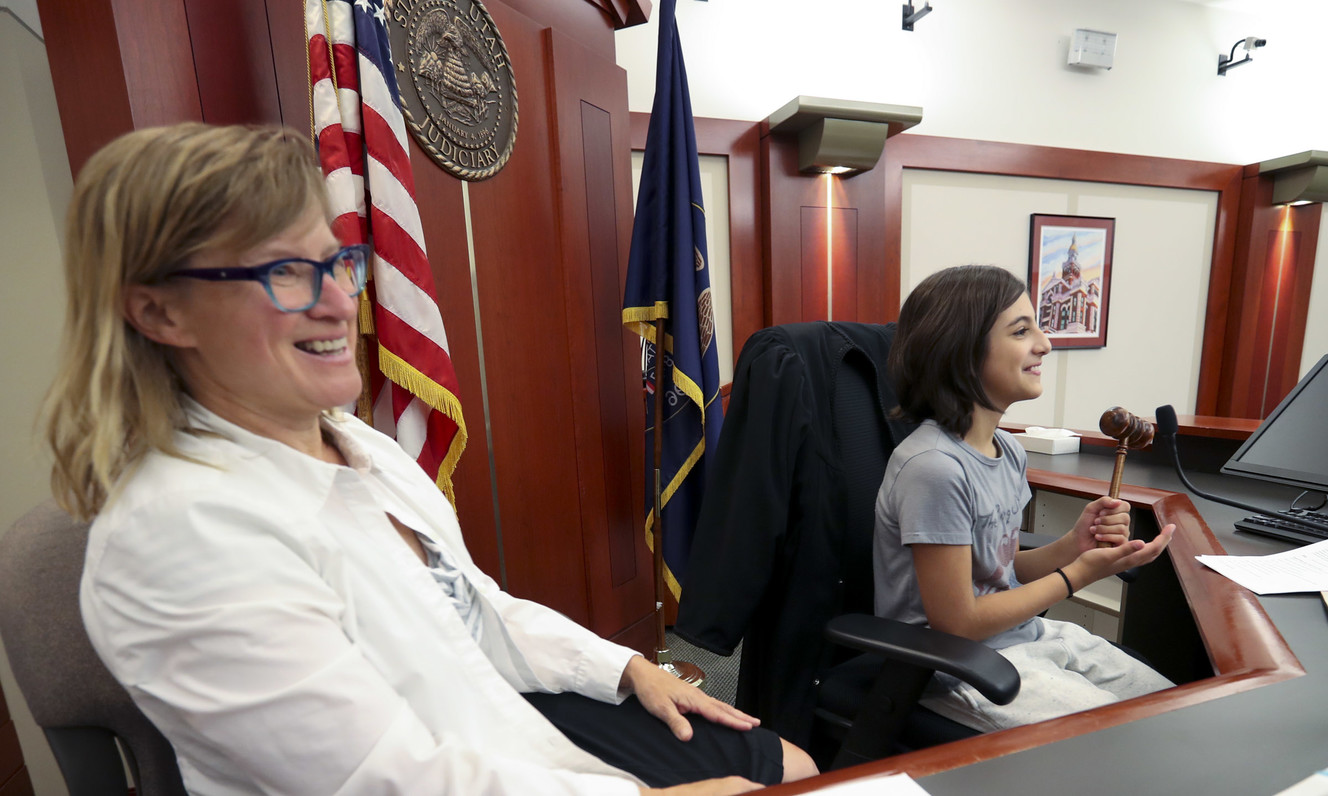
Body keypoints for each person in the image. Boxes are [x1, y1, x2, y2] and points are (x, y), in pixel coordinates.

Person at [44, 122, 816, 795]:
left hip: (498, 723)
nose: (339, 302)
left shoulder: (359, 445)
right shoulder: (175, 536)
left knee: (792, 764)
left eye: (336, 262)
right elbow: (385, 780)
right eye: (283, 271)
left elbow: (477, 611)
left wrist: (627, 670)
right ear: (157, 311)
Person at [873, 264, 1175, 734]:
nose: (1045, 344)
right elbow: (959, 622)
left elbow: (1002, 574)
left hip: (1025, 638)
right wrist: (1078, 576)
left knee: (1177, 710)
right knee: (1134, 739)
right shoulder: (933, 468)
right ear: (962, 352)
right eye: (1021, 330)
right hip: (957, 669)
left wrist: (1076, 545)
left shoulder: (1008, 450)